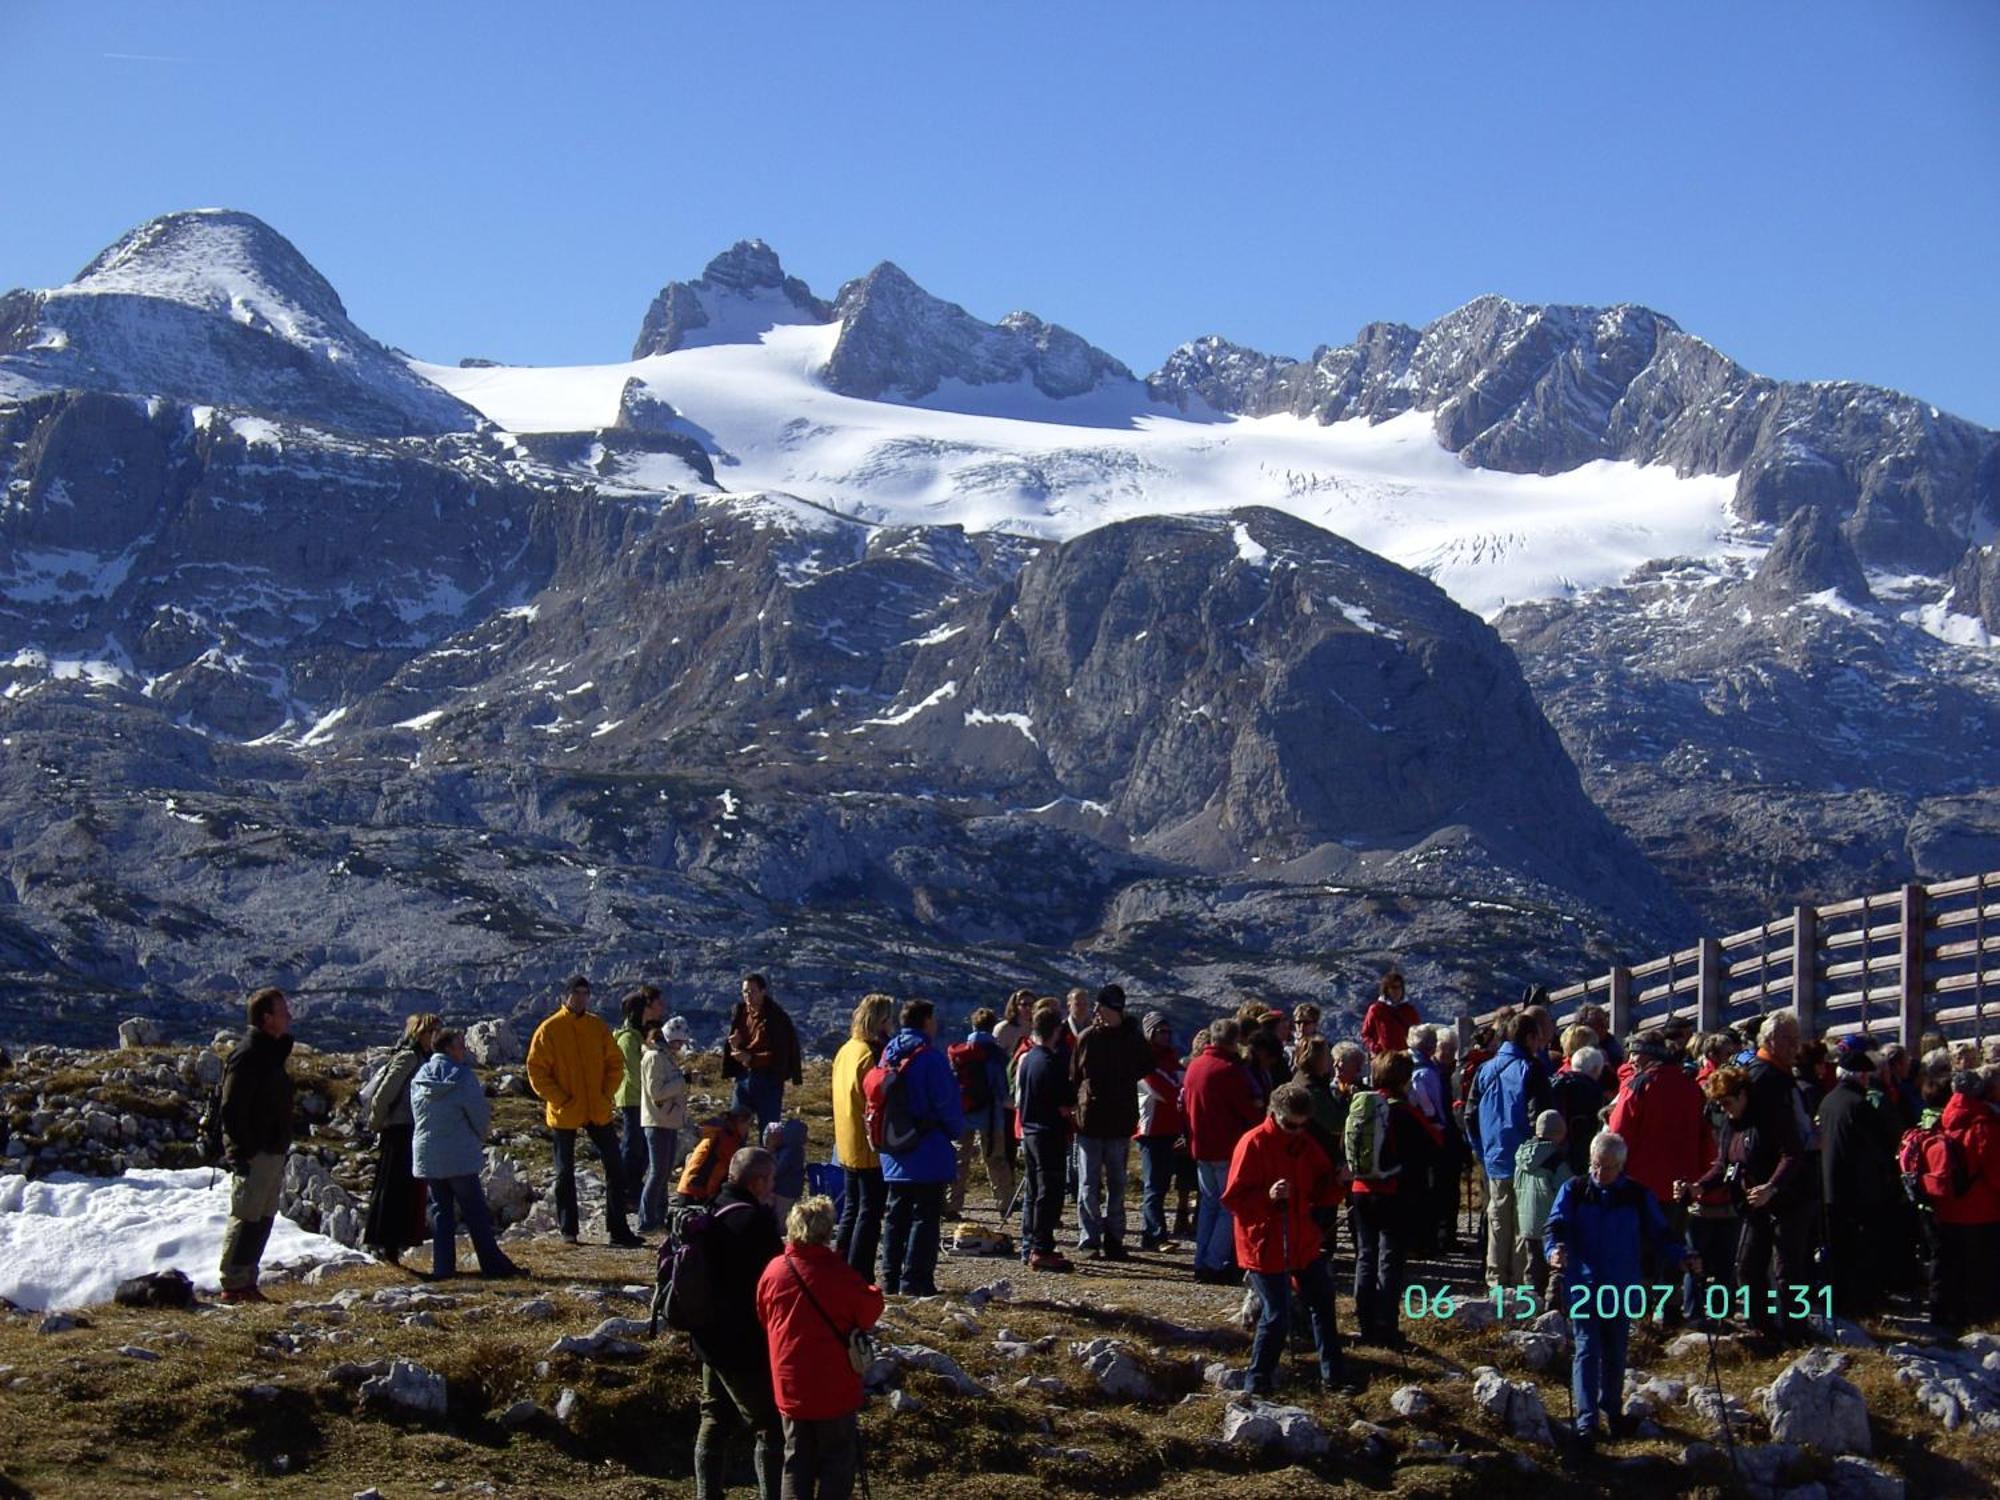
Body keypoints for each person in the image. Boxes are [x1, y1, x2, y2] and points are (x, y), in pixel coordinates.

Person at [1546, 1131, 1697, 1454]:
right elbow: (1556, 1225)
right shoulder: (1574, 1190)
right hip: (1584, 1283)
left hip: (1620, 1284)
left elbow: (1660, 1232)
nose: (1601, 1173)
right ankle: (1587, 1421)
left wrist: (1682, 1256)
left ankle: (1611, 1410)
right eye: (1596, 1165)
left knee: (1615, 1351)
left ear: (1622, 1166)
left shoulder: (1637, 1195)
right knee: (1587, 1349)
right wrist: (1554, 1251)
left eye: (1609, 1167)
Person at [1223, 1082, 1353, 1395]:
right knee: (1277, 1314)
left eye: (1302, 1124)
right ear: (1274, 1114)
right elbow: (1234, 1199)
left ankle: (1333, 1377)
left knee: (1322, 1302)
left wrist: (1339, 1183)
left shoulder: (1305, 1144)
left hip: (1301, 1239)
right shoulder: (1253, 1143)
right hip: (1265, 1242)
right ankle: (1258, 1380)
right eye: (1290, 1125)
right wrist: (1268, 1198)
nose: (1296, 1130)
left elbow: (1321, 1190)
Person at [757, 1195, 885, 1500]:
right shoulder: (839, 1274)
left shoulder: (774, 1271)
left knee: (795, 1460)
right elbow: (869, 1311)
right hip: (833, 1386)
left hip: (790, 1383)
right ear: (827, 1232)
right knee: (837, 1462)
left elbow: (763, 1316)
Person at [694, 1148, 785, 1500]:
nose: (774, 1187)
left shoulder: (712, 1209)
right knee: (771, 1426)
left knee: (714, 1416)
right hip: (742, 1343)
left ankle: (708, 1494)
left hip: (707, 1338)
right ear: (758, 1181)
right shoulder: (755, 1224)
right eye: (772, 1180)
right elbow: (773, 1281)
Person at [527, 975, 642, 1248]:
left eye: (585, 993)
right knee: (564, 1172)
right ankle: (569, 1230)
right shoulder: (549, 1029)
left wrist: (606, 1092)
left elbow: (615, 1062)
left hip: (597, 1107)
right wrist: (560, 1098)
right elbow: (536, 1070)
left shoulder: (596, 1026)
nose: (581, 997)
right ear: (565, 996)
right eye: (576, 993)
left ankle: (618, 1230)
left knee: (615, 1167)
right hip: (565, 1110)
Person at [1606, 1033, 1711, 1321]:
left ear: (1647, 1056)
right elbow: (1704, 1136)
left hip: (1642, 1184)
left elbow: (1618, 1135)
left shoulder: (1638, 1085)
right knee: (1673, 1248)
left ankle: (1639, 1314)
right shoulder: (1691, 1086)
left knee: (1640, 1253)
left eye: (1634, 1055)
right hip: (1681, 1185)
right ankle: (1670, 1310)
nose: (1629, 1061)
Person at [410, 1029, 523, 1281]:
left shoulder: (420, 1077)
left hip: (428, 1155)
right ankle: (493, 1265)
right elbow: (479, 1116)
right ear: (449, 1049)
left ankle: (443, 1268)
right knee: (475, 1211)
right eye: (461, 1044)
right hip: (458, 1154)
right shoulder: (462, 1077)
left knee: (441, 1211)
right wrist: (479, 1136)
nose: (465, 1049)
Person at [1346, 1050, 1439, 1346]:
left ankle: (1364, 1322)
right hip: (1393, 1192)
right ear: (1404, 1079)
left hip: (1361, 1189)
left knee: (1365, 1255)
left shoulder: (1363, 1105)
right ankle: (1386, 1324)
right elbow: (1434, 1144)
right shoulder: (1403, 1110)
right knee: (1389, 1259)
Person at [877, 999, 965, 1296]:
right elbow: (947, 1102)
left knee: (895, 1215)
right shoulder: (930, 1058)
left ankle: (890, 1278)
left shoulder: (888, 1053)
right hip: (927, 1148)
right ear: (927, 1021)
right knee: (925, 1216)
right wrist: (955, 1131)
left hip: (893, 1146)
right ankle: (915, 1281)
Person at [218, 987, 295, 1304]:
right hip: (257, 1151)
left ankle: (247, 1280)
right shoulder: (249, 1055)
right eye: (283, 1011)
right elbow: (232, 1108)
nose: (289, 1016)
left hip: (272, 1148)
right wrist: (244, 1150)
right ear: (267, 1018)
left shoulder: (270, 1053)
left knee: (263, 1216)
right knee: (247, 1215)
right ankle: (233, 1283)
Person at [1739, 1009, 1811, 1338]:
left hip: (1768, 1178)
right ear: (1769, 1040)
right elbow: (1781, 1137)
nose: (1795, 1045)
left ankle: (1769, 1320)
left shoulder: (1765, 1073)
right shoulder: (1770, 1078)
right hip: (1774, 1179)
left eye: (1797, 1039)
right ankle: (1781, 1323)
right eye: (1788, 1039)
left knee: (1766, 1257)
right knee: (1779, 1259)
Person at [1815, 1037, 1899, 1316]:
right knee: (1861, 1252)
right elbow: (1879, 1147)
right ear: (1862, 1076)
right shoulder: (1860, 1106)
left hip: (1830, 1186)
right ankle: (1861, 1306)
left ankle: (1838, 1304)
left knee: (1837, 1251)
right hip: (1859, 1190)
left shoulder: (1828, 1101)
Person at [1070, 984, 1150, 1260]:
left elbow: (1145, 1066)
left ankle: (1114, 1237)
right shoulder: (1087, 1038)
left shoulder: (1131, 1038)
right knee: (1089, 1183)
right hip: (1090, 1120)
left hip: (1118, 1121)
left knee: (1116, 1183)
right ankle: (1090, 1237)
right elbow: (1075, 1076)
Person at [1472, 1009, 1549, 1290]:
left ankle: (1495, 1282)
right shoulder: (1531, 1068)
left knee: (1497, 1220)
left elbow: (1470, 1114)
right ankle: (1519, 1285)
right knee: (1521, 1225)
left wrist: (1481, 1149)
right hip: (1525, 1158)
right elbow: (1537, 1117)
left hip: (1493, 1156)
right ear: (1529, 1038)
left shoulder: (1485, 1069)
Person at [1183, 1018, 1262, 1283]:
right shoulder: (1230, 1071)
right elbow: (1247, 1110)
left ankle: (1201, 1259)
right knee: (1229, 1206)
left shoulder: (1194, 1066)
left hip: (1201, 1146)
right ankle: (1214, 1262)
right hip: (1227, 1147)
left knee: (1208, 1205)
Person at [363, 1011, 442, 1266]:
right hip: (400, 1130)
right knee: (395, 1188)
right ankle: (388, 1245)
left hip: (412, 1128)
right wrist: (377, 1124)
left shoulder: (423, 1058)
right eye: (432, 1032)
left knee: (406, 1188)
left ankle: (395, 1244)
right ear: (420, 1033)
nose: (435, 1037)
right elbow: (385, 1093)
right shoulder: (409, 1058)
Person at [1676, 1065, 1752, 1324]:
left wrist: (1696, 1186)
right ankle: (1714, 1315)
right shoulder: (1734, 1125)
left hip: (1708, 1200)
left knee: (1701, 1262)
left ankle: (1699, 1315)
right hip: (1720, 1200)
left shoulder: (1703, 1124)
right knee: (1719, 1263)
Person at [1933, 1068, 2000, 1332]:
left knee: (1952, 1264)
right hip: (1981, 1209)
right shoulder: (1983, 1124)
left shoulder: (1946, 1118)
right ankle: (1980, 1320)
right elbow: (1995, 1172)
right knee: (1981, 1268)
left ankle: (1947, 1315)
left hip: (1948, 1205)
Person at [831, 994, 893, 1277]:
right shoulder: (872, 1053)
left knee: (852, 1209)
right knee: (870, 1212)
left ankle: (840, 1265)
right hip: (869, 1145)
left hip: (847, 1141)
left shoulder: (847, 1049)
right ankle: (860, 1271)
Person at [1015, 1003, 1076, 1271]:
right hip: (1048, 1132)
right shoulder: (1050, 1063)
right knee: (1049, 1192)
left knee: (1035, 1190)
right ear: (1056, 1031)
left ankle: (1033, 1243)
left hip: (1029, 1130)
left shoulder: (1027, 1059)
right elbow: (1066, 1101)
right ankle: (1041, 1247)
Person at [949, 1007, 1015, 1220]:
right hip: (990, 1114)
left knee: (960, 1159)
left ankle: (952, 1204)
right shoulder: (996, 1054)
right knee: (995, 1159)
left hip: (962, 1111)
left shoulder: (960, 1052)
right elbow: (1002, 1088)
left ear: (973, 1025)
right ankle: (1005, 1203)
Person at [1136, 1011, 1186, 1253]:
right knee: (1154, 1185)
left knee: (1162, 1184)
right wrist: (1180, 1090)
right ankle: (1156, 1234)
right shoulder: (1143, 1061)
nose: (1165, 1036)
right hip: (1151, 1129)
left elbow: (1181, 1085)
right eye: (1160, 1031)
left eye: (1168, 1032)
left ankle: (1151, 1234)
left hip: (1170, 1128)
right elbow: (1163, 1089)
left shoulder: (1171, 1058)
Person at [725, 974, 803, 1129]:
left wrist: (750, 1058)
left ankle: (766, 1153)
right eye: (745, 992)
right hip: (744, 1076)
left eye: (752, 991)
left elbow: (780, 1055)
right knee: (735, 1125)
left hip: (769, 1079)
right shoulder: (741, 1013)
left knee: (768, 1129)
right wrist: (736, 1046)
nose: (748, 996)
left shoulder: (776, 1018)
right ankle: (736, 1153)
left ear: (763, 992)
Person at [613, 986, 664, 1214]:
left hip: (642, 1098)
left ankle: (633, 1190)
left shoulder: (641, 1035)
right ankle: (625, 1192)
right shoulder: (628, 1039)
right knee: (633, 1146)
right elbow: (634, 1072)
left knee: (641, 1147)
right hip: (633, 1098)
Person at [639, 1017, 692, 1232]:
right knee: (657, 1172)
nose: (679, 1046)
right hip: (657, 1121)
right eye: (677, 1041)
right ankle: (646, 1220)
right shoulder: (654, 1057)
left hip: (668, 1120)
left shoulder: (666, 1058)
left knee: (663, 1171)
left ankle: (658, 1218)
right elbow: (656, 1092)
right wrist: (681, 1082)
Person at [1512, 1110, 1572, 1300]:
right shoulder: (1555, 1160)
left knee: (1532, 1266)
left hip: (1526, 1223)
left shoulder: (1521, 1156)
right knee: (1551, 1268)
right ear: (1559, 1133)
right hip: (1548, 1224)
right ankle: (1550, 1306)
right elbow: (1568, 1188)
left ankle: (1529, 1302)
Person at [680, 1105, 759, 1205]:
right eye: (748, 1124)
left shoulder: (721, 1133)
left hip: (690, 1185)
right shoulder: (726, 1138)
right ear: (740, 1121)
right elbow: (733, 1168)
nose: (748, 1129)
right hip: (698, 1189)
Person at [1550, 1044, 1607, 1178]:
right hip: (1579, 1156)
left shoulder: (1556, 1082)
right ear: (1595, 1069)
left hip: (1554, 1152)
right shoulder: (1592, 1090)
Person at [1360, 970, 1419, 1057]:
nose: (1397, 991)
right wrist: (1376, 1049)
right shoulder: (1376, 1009)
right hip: (1383, 1058)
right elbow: (1365, 1034)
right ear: (1386, 989)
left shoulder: (1409, 1010)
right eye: (1394, 987)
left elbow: (1417, 1033)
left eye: (1400, 987)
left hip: (1405, 1058)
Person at [768, 1118, 809, 1226]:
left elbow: (778, 1169)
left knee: (781, 1220)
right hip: (793, 1190)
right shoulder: (797, 1150)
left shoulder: (789, 1152)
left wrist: (771, 1152)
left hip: (784, 1192)